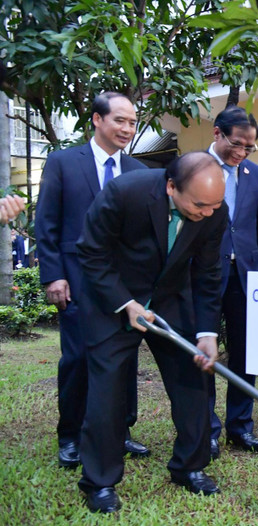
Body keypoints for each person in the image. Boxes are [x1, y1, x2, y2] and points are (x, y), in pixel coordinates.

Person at [76, 152, 227, 513]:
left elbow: (208, 272)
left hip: (170, 297)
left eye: (215, 206)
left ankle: (189, 466)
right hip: (114, 298)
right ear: (171, 187)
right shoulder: (124, 192)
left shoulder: (213, 208)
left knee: (194, 379)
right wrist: (125, 303)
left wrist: (207, 332)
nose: (208, 214)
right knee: (108, 389)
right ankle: (99, 481)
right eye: (200, 205)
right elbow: (91, 253)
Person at [35, 92, 149, 470]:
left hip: (125, 287)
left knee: (124, 358)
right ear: (97, 120)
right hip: (77, 280)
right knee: (79, 358)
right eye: (120, 120)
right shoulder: (63, 162)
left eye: (132, 123)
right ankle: (70, 435)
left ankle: (121, 430)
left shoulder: (137, 170)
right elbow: (47, 223)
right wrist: (53, 275)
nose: (128, 129)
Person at [206, 106, 258, 460]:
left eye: (250, 147)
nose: (242, 152)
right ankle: (207, 430)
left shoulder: (256, 175)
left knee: (246, 353)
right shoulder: (192, 167)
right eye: (237, 144)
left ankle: (240, 426)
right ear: (217, 133)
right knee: (202, 353)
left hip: (246, 276)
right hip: (202, 275)